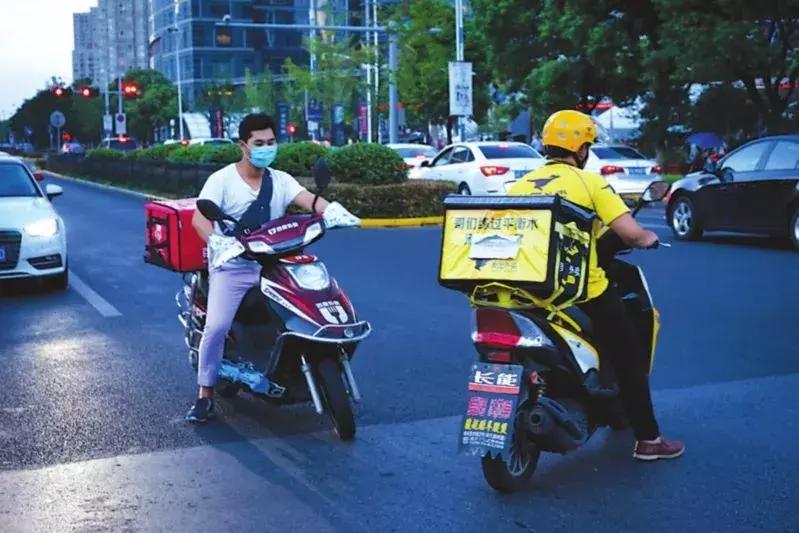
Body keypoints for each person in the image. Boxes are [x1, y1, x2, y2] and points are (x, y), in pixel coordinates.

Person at [507, 110, 685, 461]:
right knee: (629, 356)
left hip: (527, 289)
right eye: (587, 144)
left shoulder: (520, 185)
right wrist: (648, 238)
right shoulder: (588, 183)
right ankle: (649, 440)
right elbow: (630, 233)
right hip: (580, 290)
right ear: (581, 147)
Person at [186, 113, 334, 423]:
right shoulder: (222, 180)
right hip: (234, 266)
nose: (266, 148)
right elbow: (200, 218)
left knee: (310, 305)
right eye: (259, 143)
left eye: (271, 142)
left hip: (276, 264)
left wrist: (335, 211)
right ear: (243, 145)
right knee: (216, 328)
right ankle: (205, 395)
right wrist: (218, 241)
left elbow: (308, 200)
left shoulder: (280, 179)